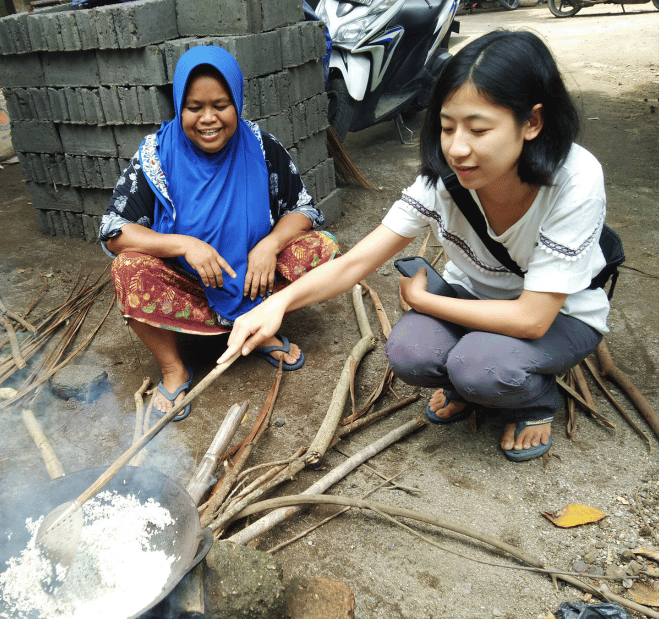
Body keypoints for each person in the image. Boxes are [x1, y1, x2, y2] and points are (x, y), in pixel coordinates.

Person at [219, 30, 610, 462]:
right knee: (409, 353)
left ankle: (533, 401)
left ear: (532, 122)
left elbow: (532, 320)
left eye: (479, 129)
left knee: (480, 368)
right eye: (447, 127)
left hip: (558, 316)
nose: (457, 148)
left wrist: (424, 301)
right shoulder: (442, 182)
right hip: (472, 299)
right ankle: (470, 384)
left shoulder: (575, 180)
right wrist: (276, 304)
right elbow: (355, 263)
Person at [99, 46, 339, 421]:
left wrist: (270, 245)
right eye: (194, 107)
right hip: (187, 287)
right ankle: (174, 369)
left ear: (237, 103)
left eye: (221, 105)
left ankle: (259, 329)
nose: (208, 118)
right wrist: (183, 245)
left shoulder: (261, 147)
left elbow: (303, 209)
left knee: (322, 248)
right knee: (128, 268)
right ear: (179, 106)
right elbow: (114, 231)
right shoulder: (156, 154)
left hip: (255, 280)